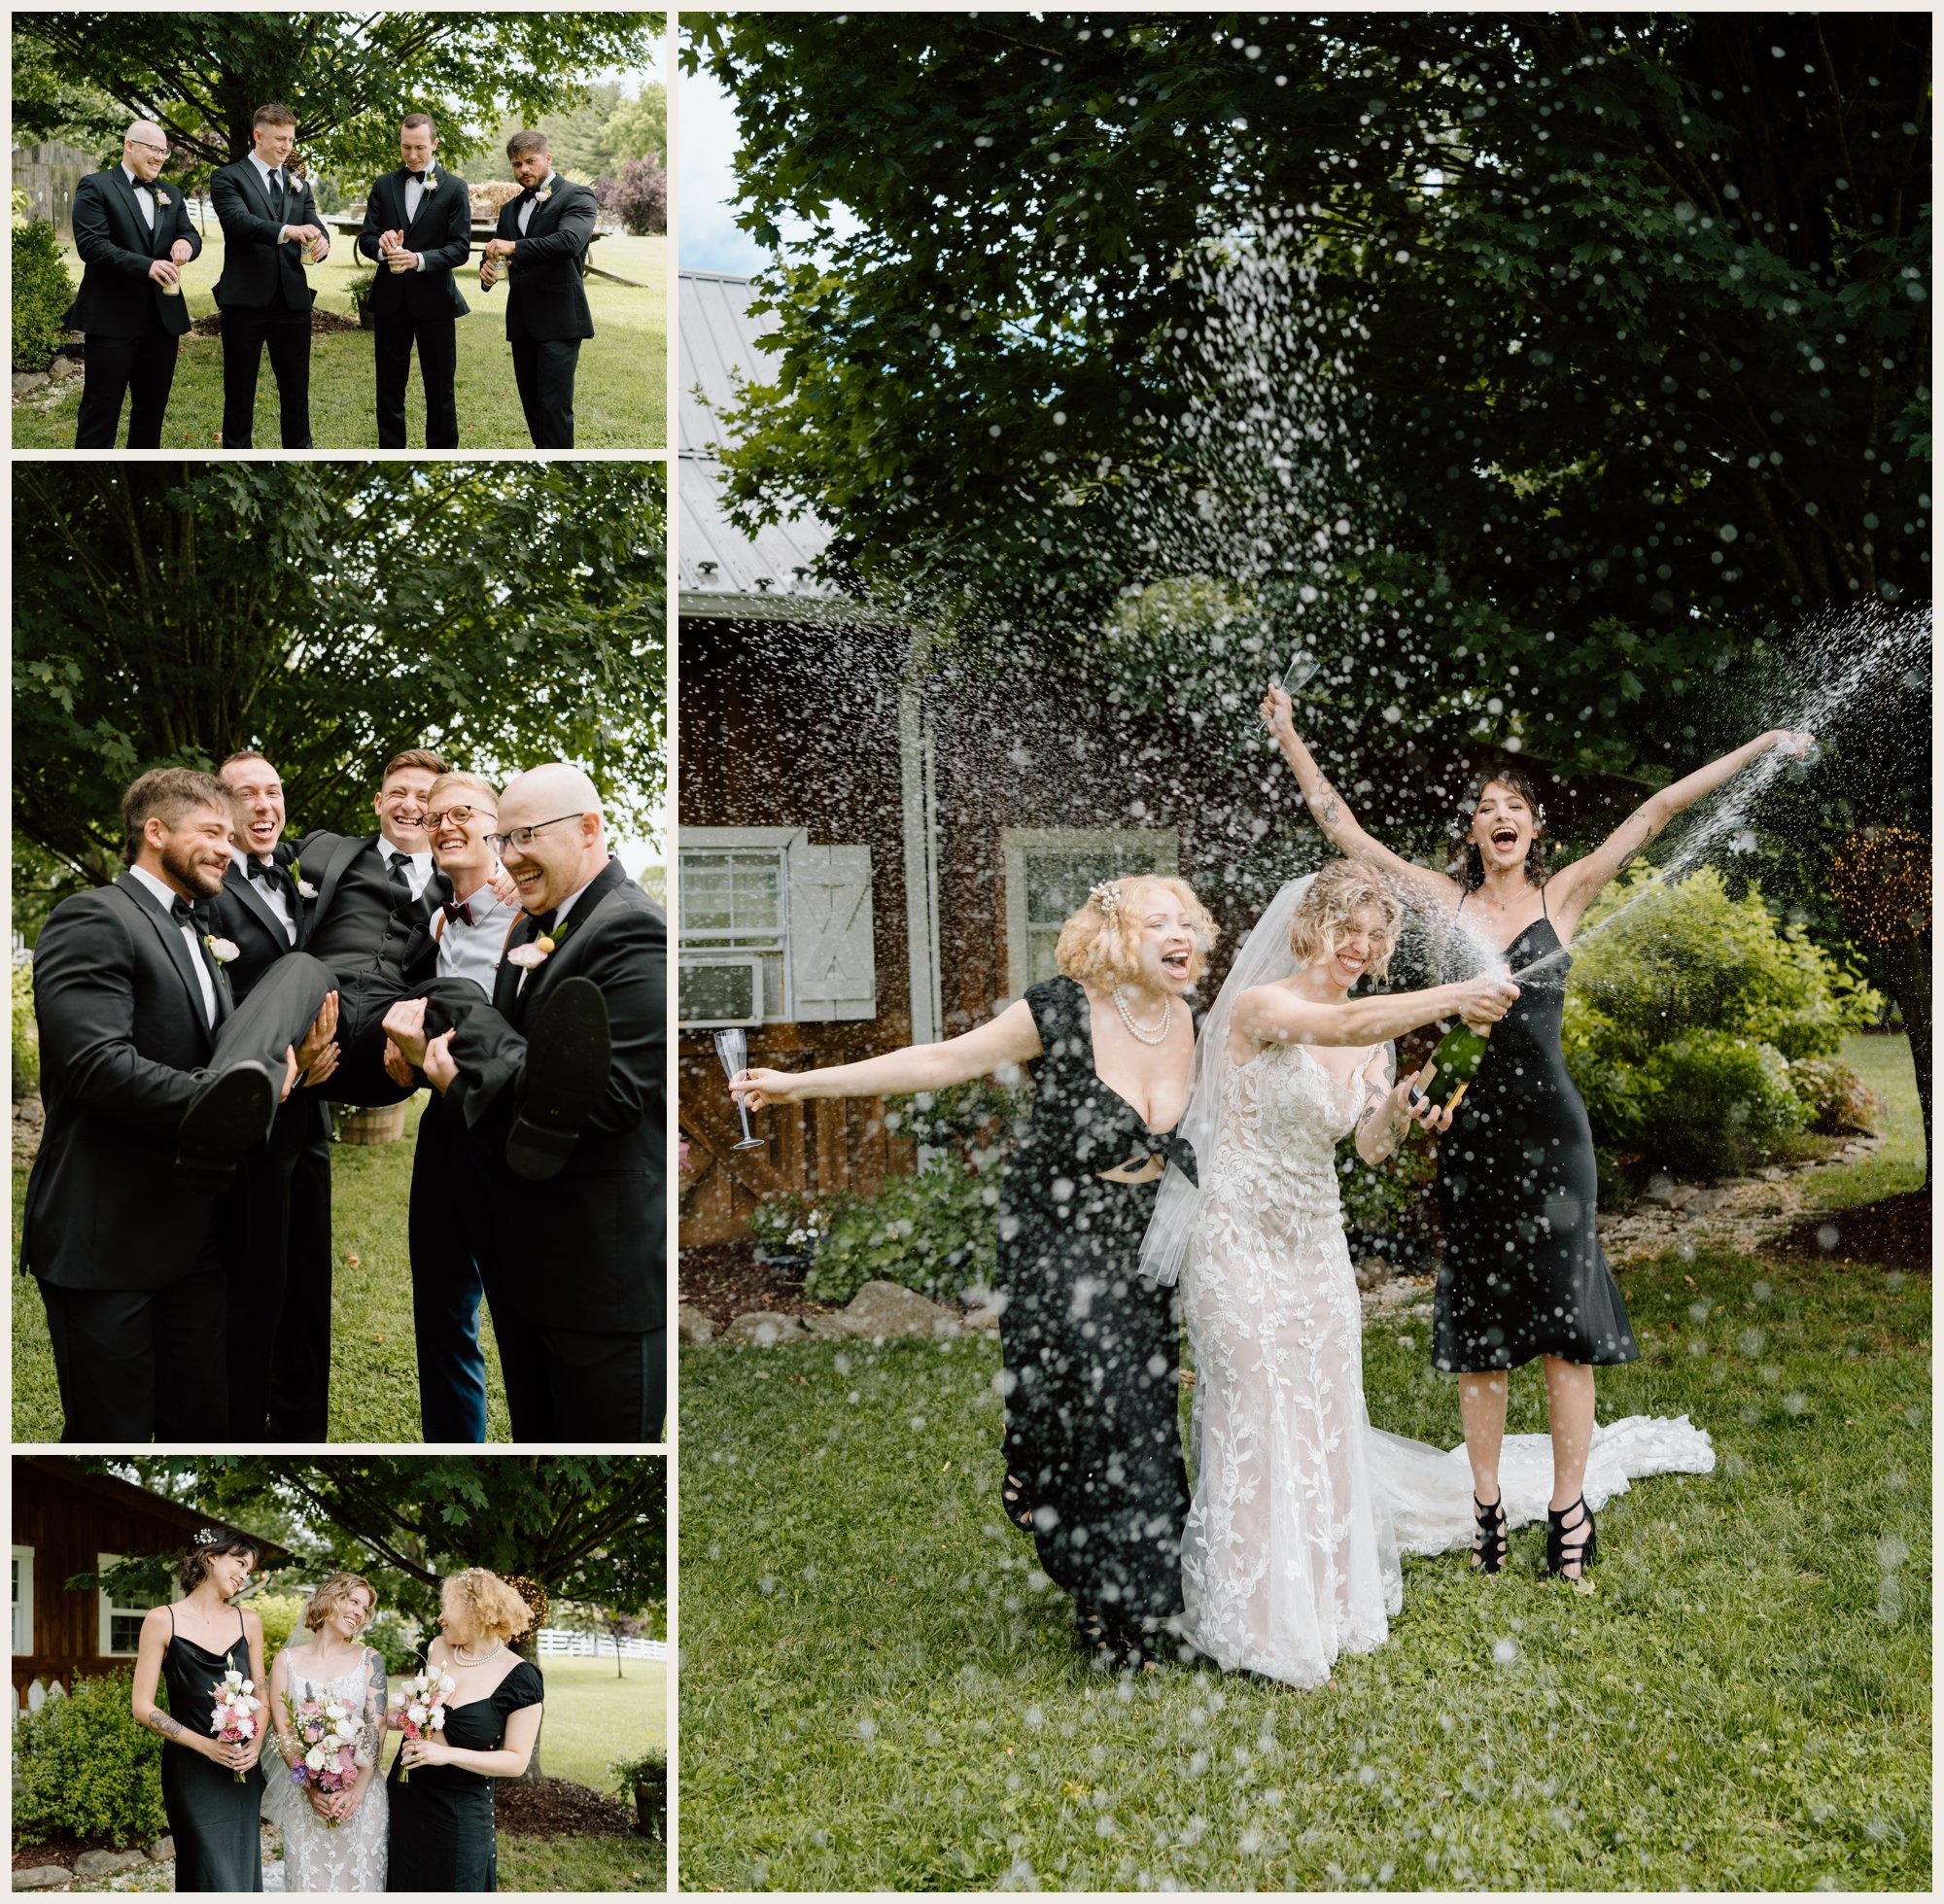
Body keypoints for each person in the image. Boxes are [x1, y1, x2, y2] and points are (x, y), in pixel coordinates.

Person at [1265, 682, 1811, 1576]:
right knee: (1481, 1324)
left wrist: (1756, 746)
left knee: (1564, 1328)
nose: (1498, 815)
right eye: (1485, 808)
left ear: (1536, 827)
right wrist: (1289, 736)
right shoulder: (1441, 902)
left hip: (1556, 1137)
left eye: (1513, 805)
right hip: (1472, 1136)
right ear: (1474, 834)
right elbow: (1348, 835)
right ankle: (1485, 1510)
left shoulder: (1567, 893)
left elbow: (1661, 809)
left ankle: (1568, 1512)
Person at [1143, 863, 1717, 1686]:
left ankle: (1325, 1598)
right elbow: (1338, 1027)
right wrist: (1455, 999)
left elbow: (1371, 1145)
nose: (1363, 945)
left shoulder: (1374, 1036)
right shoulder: (1263, 1003)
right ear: (1312, 926)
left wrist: (1404, 1103)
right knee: (1255, 1404)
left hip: (1313, 1234)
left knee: (1322, 1408)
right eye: (1349, 927)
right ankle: (1252, 1609)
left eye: (1378, 935)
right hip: (1236, 1233)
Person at [735, 874, 1214, 1669]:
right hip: (1059, 1230)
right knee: (1091, 1402)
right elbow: (940, 1061)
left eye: (1187, 922)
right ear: (1114, 937)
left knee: (1142, 1410)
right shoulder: (1057, 1010)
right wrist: (799, 1082)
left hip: (1144, 1237)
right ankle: (1100, 1607)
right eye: (1158, 922)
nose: (1180, 935)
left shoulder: (1191, 1020)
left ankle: (1137, 1584)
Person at [20, 769, 339, 1440]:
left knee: (204, 1425)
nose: (227, 847)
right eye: (211, 832)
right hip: (104, 1239)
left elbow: (220, 1055)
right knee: (116, 1431)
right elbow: (93, 1067)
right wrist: (217, 1099)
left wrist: (285, 1076)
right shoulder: (95, 916)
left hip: (193, 1241)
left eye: (230, 835)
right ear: (155, 831)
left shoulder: (198, 934)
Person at [383, 764, 667, 1441]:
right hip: (531, 1270)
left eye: (526, 836)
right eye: (504, 839)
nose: (510, 855)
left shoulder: (632, 931)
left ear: (591, 829)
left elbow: (604, 1102)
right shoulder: (532, 929)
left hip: (598, 1283)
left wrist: (463, 1070)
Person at [205, 750, 337, 1441]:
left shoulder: (297, 880)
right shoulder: (209, 889)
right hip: (253, 1117)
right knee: (256, 1290)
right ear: (219, 805)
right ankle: (245, 1431)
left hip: (309, 1117)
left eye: (274, 791)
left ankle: (301, 1429)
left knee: (309, 1291)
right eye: (246, 793)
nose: (263, 805)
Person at [399, 771, 519, 1441]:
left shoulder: (529, 910)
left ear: (494, 826)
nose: (445, 824)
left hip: (505, 1126)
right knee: (441, 1311)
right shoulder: (437, 917)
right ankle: (456, 1443)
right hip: (444, 1126)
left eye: (462, 812)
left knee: (519, 1305)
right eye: (435, 816)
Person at [384, 1569, 543, 1891]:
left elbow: (516, 1761)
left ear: (476, 1610)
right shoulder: (438, 1648)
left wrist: (446, 1754)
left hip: (459, 1813)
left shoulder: (521, 1677)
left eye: (448, 1607)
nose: (441, 1617)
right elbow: (423, 1717)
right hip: (408, 1798)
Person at [131, 1531, 268, 1892]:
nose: (244, 1575)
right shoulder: (163, 1620)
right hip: (190, 1771)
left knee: (240, 1872)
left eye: (250, 1570)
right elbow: (142, 1707)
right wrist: (205, 1746)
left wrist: (256, 1746)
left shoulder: (248, 1621)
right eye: (239, 1563)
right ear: (211, 1557)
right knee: (206, 1870)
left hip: (240, 1770)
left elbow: (263, 1693)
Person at [65, 121, 200, 448]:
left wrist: (186, 243)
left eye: (164, 151)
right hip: (112, 319)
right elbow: (93, 246)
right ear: (129, 145)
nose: (160, 157)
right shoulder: (96, 187)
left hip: (162, 321)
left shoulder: (172, 192)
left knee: (151, 414)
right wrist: (147, 266)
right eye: (153, 149)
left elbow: (190, 232)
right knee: (101, 412)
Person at [211, 102, 326, 448]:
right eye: (280, 139)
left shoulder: (299, 185)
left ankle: (300, 451)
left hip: (293, 301)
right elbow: (238, 221)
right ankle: (236, 452)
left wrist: (323, 242)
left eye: (290, 139)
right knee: (239, 391)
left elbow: (314, 223)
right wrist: (288, 230)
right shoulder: (228, 177)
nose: (287, 146)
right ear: (258, 136)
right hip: (244, 300)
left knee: (296, 391)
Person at [264, 1573, 389, 1891]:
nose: (360, 1612)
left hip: (361, 1796)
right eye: (353, 1601)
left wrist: (357, 1791)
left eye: (365, 1608)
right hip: (306, 1801)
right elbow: (284, 1731)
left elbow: (376, 1727)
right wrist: (311, 1791)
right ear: (329, 1598)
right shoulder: (285, 1661)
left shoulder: (369, 1659)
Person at [357, 113, 472, 449]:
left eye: (419, 147)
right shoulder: (383, 184)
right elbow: (367, 238)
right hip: (391, 301)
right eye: (406, 147)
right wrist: (382, 248)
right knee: (389, 387)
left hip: (436, 301)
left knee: (440, 389)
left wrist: (419, 260)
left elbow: (460, 248)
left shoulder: (454, 188)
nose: (412, 155)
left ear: (434, 144)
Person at [480, 131, 595, 448]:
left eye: (530, 161)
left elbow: (569, 242)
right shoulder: (509, 209)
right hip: (521, 323)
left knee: (554, 409)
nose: (523, 170)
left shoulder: (577, 196)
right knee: (533, 410)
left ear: (548, 158)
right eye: (517, 164)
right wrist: (487, 271)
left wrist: (515, 247)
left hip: (560, 321)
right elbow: (495, 254)